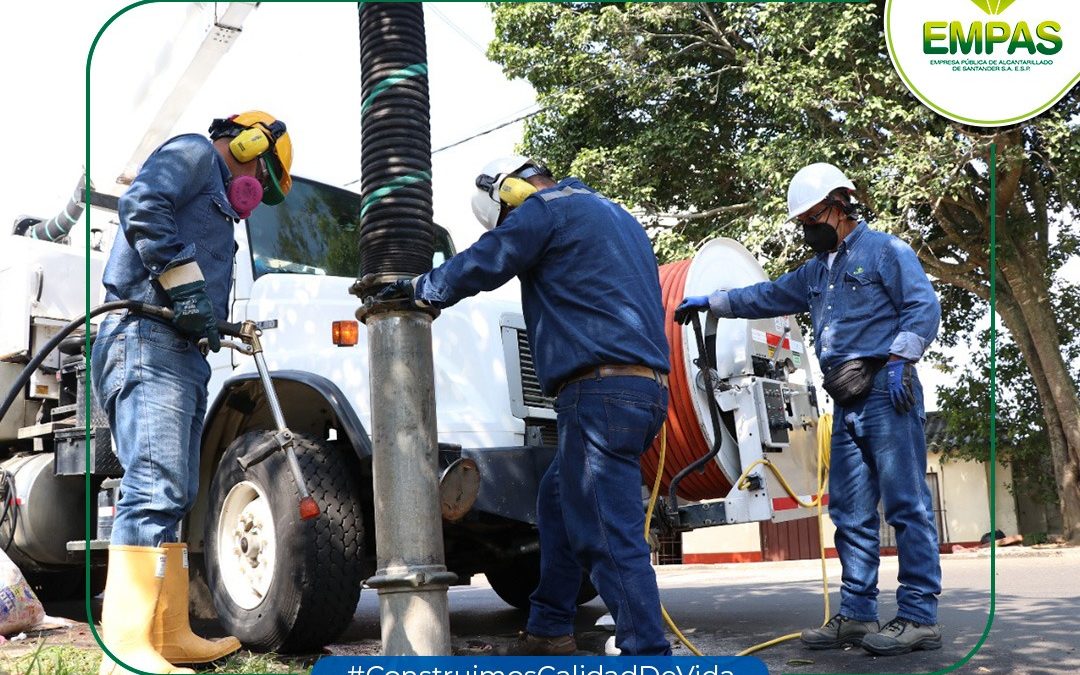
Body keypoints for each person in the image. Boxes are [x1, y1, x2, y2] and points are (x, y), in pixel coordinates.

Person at [376, 156, 672, 655]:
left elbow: (489, 259)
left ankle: (649, 655)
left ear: (508, 192)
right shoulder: (615, 215)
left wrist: (422, 289)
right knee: (557, 503)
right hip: (644, 393)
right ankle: (549, 626)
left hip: (598, 393)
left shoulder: (543, 210)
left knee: (604, 530)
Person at [675, 163, 942, 657]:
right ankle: (858, 615)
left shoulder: (886, 251)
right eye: (801, 222)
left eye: (812, 217)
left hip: (887, 388)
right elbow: (768, 295)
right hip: (845, 399)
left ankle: (918, 616)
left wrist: (903, 357)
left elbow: (923, 307)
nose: (806, 229)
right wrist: (712, 302)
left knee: (906, 505)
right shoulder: (817, 271)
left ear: (840, 207)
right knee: (850, 511)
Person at [91, 111, 293, 674]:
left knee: (177, 493)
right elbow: (142, 206)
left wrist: (206, 315)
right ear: (250, 144)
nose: (255, 195)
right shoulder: (194, 154)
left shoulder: (222, 218)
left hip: (180, 354)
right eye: (263, 178)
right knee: (154, 485)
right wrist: (184, 284)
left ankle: (168, 633)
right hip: (144, 336)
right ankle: (124, 650)